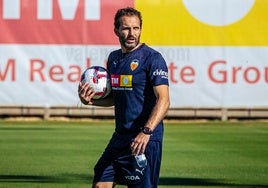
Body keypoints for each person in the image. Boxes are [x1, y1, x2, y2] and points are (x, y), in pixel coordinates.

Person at [78, 7, 170, 188]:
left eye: (136, 28)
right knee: (100, 181)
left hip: (144, 140)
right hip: (120, 138)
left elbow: (164, 100)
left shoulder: (152, 58)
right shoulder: (114, 59)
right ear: (116, 31)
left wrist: (146, 132)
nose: (131, 33)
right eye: (126, 28)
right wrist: (89, 101)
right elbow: (116, 98)